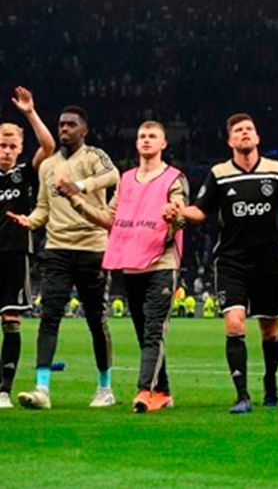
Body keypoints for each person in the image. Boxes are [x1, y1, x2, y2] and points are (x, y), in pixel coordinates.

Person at [167, 113, 278, 414]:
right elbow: (201, 211)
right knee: (235, 324)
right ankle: (242, 395)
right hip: (231, 261)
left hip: (267, 261)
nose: (245, 133)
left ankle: (270, 381)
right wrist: (180, 213)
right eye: (238, 130)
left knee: (270, 330)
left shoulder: (275, 171)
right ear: (230, 140)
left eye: (249, 129)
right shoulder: (220, 173)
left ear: (258, 137)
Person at [67, 120, 188, 413]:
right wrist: (77, 202)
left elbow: (182, 215)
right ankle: (163, 391)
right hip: (133, 263)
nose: (146, 140)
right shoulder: (127, 179)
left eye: (152, 137)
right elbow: (111, 219)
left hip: (162, 260)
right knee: (142, 330)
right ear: (137, 144)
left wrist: (174, 217)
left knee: (154, 331)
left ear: (163, 144)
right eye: (142, 136)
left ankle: (143, 390)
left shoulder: (175, 178)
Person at [7, 105, 118, 410]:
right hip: (57, 248)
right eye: (61, 124)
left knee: (96, 319)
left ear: (84, 130)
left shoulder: (95, 156)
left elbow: (113, 175)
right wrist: (29, 221)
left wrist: (80, 187)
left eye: (71, 124)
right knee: (49, 316)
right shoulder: (48, 166)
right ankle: (42, 388)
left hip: (92, 247)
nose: (64, 129)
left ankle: (105, 387)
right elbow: (43, 207)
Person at [0, 87, 55, 408]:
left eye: (11, 146)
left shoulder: (24, 174)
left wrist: (30, 113)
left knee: (11, 321)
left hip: (14, 255)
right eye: (2, 145)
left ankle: (4, 390)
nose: (6, 151)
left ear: (20, 148)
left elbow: (48, 146)